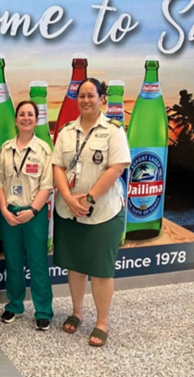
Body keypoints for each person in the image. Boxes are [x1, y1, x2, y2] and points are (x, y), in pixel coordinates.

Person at [52, 78, 131, 347]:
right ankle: (76, 312)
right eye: (81, 95)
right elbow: (58, 167)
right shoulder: (66, 131)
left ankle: (102, 322)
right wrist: (67, 198)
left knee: (100, 270)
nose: (85, 100)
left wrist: (87, 198)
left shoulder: (113, 131)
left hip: (103, 212)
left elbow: (116, 168)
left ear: (102, 99)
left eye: (91, 95)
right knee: (75, 265)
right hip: (69, 211)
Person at [0, 101, 53, 331]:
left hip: (34, 213)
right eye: (21, 114)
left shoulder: (44, 150)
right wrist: (4, 210)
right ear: (16, 120)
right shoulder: (5, 149)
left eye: (30, 114)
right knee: (13, 262)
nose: (26, 118)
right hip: (9, 213)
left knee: (38, 263)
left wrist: (33, 211)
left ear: (36, 120)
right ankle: (15, 304)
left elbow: (46, 186)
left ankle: (44, 311)